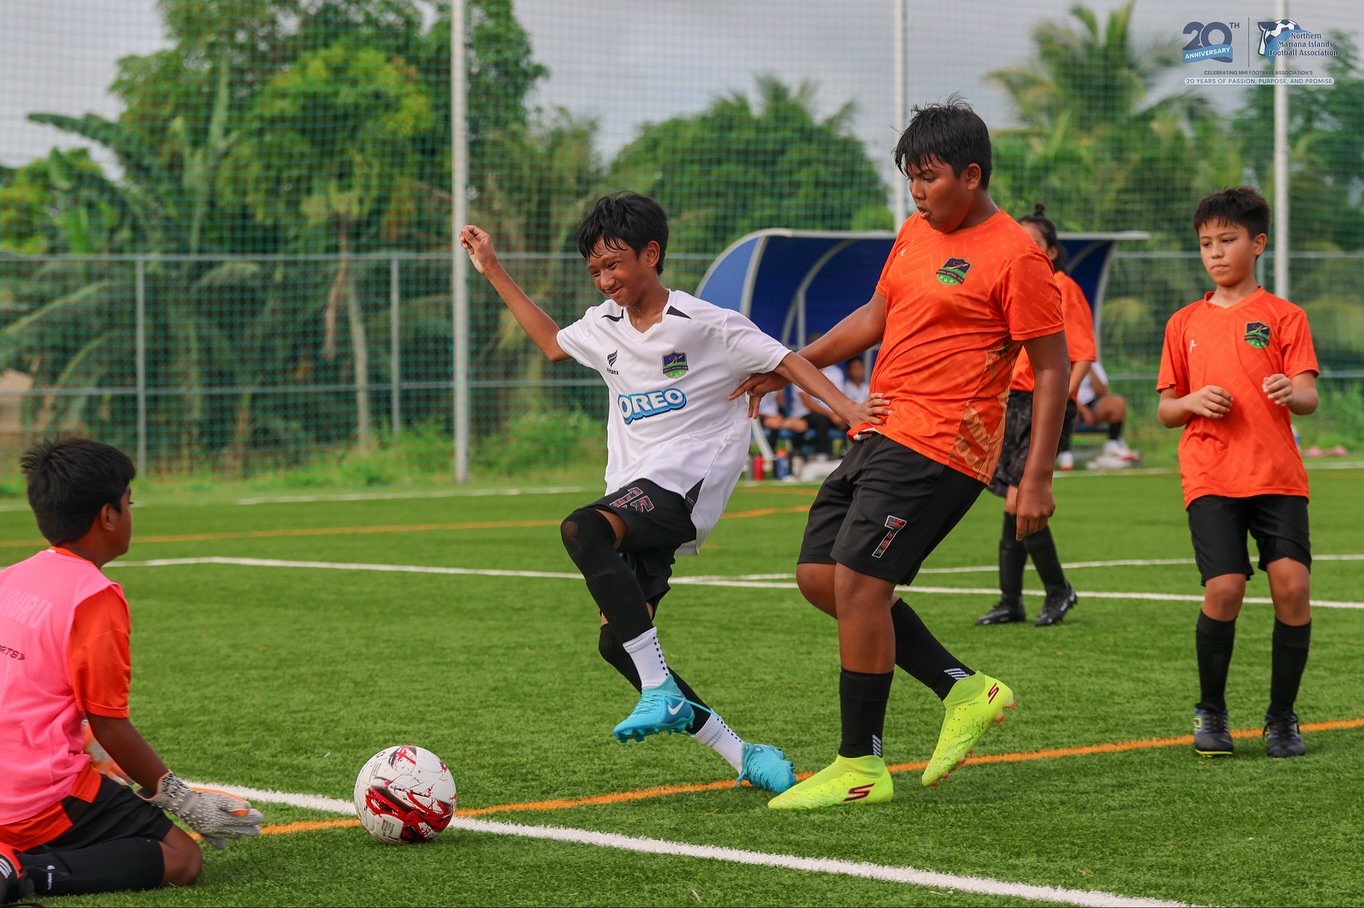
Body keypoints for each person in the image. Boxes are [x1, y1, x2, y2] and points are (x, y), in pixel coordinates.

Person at [458, 192, 886, 795]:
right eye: (597, 271)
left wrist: (848, 410)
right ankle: (741, 752)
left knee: (582, 528)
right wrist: (493, 268)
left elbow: (788, 360)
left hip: (685, 489)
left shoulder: (706, 323)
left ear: (651, 255)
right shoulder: (603, 326)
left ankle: (659, 690)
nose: (606, 280)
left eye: (615, 265)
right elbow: (552, 343)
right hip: (634, 494)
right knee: (617, 643)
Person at [733, 98, 1069, 809]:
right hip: (879, 430)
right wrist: (793, 362)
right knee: (820, 577)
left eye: (929, 177)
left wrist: (1034, 476)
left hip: (944, 445)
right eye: (909, 177)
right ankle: (965, 690)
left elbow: (1052, 370)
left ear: (971, 175)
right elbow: (873, 318)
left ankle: (860, 765)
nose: (916, 191)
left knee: (858, 583)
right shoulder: (915, 233)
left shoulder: (1017, 256)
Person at [0, 438, 262, 905]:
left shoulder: (11, 576)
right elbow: (109, 724)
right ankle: (20, 870)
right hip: (32, 799)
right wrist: (182, 800)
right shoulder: (95, 597)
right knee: (181, 857)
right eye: (129, 502)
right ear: (107, 516)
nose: (130, 513)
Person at [1156, 186, 1319, 759]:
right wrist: (1192, 401)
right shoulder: (1184, 323)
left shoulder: (1284, 317)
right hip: (1211, 473)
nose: (1216, 253)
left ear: (1258, 243)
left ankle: (1281, 720)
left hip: (1276, 474)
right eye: (1206, 243)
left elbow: (1307, 393)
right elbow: (1166, 408)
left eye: (1228, 241)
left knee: (1292, 587)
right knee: (1224, 588)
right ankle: (1212, 712)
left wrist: (1289, 392)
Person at [976, 203, 1095, 627]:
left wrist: (1062, 397)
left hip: (1043, 403)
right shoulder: (1012, 282)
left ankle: (1056, 590)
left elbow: (1080, 354)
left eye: (1033, 242)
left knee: (1017, 499)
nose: (1022, 247)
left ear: (1052, 252)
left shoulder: (1063, 287)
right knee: (1013, 504)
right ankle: (1012, 600)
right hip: (1013, 405)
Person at [1057, 360, 1138, 470]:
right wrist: (1083, 411)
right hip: (1069, 402)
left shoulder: (1093, 364)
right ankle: (1065, 454)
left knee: (1117, 403)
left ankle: (1113, 444)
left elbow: (1102, 391)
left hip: (1093, 402)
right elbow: (1061, 391)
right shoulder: (1060, 360)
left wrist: (1088, 367)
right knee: (1067, 411)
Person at [790, 334, 851, 460]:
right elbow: (809, 403)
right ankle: (821, 456)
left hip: (832, 413)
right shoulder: (800, 370)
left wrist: (840, 414)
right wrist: (832, 415)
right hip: (806, 414)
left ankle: (851, 456)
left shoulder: (835, 372)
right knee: (821, 419)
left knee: (851, 419)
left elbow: (839, 398)